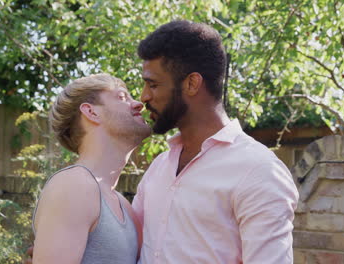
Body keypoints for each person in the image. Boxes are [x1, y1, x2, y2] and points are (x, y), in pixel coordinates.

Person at [131, 20, 299, 263]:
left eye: (153, 84)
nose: (144, 96)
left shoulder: (259, 171)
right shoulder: (159, 167)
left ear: (192, 83)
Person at [31, 73, 150, 263]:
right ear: (91, 112)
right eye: (121, 97)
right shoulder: (74, 185)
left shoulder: (125, 206)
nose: (138, 104)